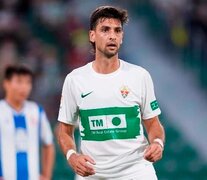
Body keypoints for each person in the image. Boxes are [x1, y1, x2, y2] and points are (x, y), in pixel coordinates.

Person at [57, 6, 165, 180]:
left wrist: (158, 143)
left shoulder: (139, 76)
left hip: (136, 171)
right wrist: (72, 156)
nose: (112, 35)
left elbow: (153, 124)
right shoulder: (75, 79)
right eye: (105, 30)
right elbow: (64, 130)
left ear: (122, 37)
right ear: (92, 35)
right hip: (91, 173)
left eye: (117, 30)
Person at [0, 65, 55, 180]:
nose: (24, 87)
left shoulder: (36, 111)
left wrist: (46, 175)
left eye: (28, 82)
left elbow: (48, 144)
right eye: (19, 81)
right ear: (6, 83)